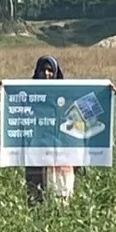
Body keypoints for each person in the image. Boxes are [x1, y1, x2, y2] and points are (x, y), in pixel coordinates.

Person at [23, 56, 74, 205]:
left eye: (50, 70)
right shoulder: (29, 97)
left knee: (60, 202)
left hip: (61, 157)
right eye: (42, 70)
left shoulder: (66, 97)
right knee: (35, 199)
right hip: (35, 156)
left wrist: (105, 93)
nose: (46, 74)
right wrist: (4, 89)